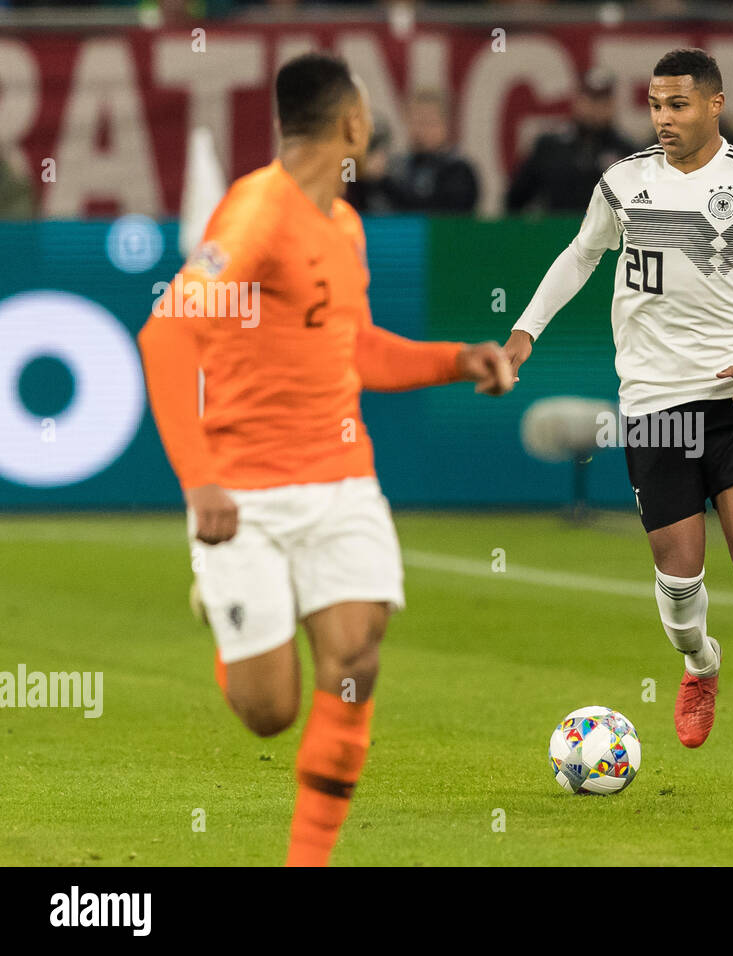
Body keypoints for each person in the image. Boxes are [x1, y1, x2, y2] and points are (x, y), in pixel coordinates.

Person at [137, 52, 513, 865]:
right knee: (269, 710)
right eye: (368, 116)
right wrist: (199, 480)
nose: (371, 129)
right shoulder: (256, 217)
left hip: (342, 479)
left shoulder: (345, 225)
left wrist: (456, 359)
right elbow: (167, 331)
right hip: (247, 492)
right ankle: (226, 603)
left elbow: (355, 352)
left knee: (355, 658)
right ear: (350, 124)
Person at [504, 48, 733, 787]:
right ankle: (700, 663)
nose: (664, 119)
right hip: (654, 408)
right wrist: (524, 332)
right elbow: (580, 257)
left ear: (714, 104)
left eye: (678, 105)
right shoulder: (623, 183)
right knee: (681, 588)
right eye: (655, 106)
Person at [506, 67, 641, 213]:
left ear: (613, 104)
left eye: (603, 99)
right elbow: (514, 200)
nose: (595, 107)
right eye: (590, 98)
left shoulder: (629, 153)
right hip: (556, 233)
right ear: (576, 100)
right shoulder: (550, 147)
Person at [351, 89, 479, 213]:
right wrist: (363, 177)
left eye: (428, 122)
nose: (420, 130)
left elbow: (438, 214)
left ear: (445, 125)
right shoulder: (398, 166)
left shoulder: (458, 170)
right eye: (415, 122)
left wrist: (384, 182)